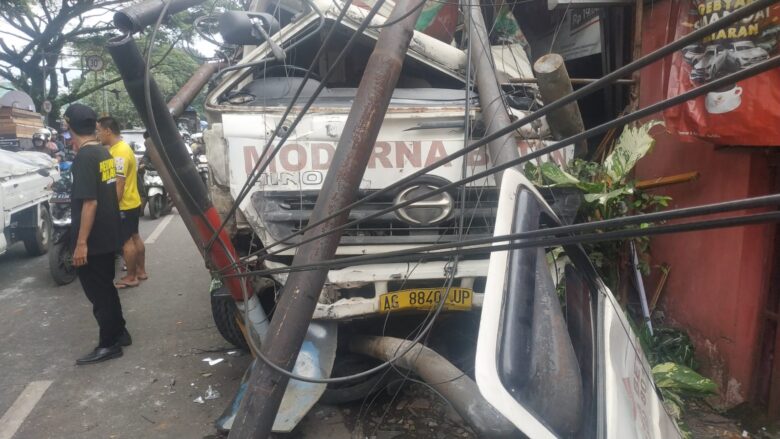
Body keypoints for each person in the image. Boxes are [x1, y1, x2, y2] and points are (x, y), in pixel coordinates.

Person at [65, 103, 131, 365]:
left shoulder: (85, 158)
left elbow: (89, 203)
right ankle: (120, 332)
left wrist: (81, 243)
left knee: (99, 293)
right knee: (106, 287)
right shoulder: (103, 152)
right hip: (107, 233)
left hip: (92, 238)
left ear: (69, 126)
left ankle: (109, 343)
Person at [96, 117, 147, 288]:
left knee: (126, 242)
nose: (98, 134)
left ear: (108, 131)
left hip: (124, 204)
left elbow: (119, 182)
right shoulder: (121, 148)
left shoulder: (120, 152)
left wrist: (112, 206)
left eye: (99, 131)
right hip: (132, 201)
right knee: (134, 236)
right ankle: (141, 271)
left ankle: (131, 277)